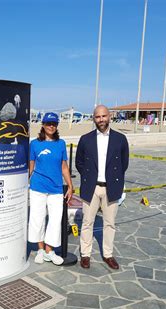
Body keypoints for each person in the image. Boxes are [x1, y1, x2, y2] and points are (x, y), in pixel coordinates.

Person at [75, 105, 129, 270]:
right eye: (98, 117)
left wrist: (115, 179)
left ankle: (107, 254)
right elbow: (79, 162)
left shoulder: (120, 139)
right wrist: (89, 176)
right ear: (94, 118)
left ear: (109, 116)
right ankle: (85, 255)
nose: (101, 120)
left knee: (110, 223)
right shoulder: (85, 139)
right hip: (91, 187)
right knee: (87, 222)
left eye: (104, 116)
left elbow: (124, 164)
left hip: (111, 187)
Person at [28, 112, 73, 265]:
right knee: (37, 218)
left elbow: (64, 166)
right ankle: (40, 249)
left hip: (56, 188)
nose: (51, 126)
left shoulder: (60, 144)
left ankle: (49, 250)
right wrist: (24, 183)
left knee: (55, 219)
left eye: (54, 124)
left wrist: (70, 186)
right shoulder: (34, 144)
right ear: (43, 125)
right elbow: (31, 165)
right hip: (38, 186)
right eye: (48, 123)